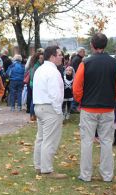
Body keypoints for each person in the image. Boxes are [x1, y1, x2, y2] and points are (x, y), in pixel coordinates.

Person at [73, 33, 116, 182]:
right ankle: (107, 175)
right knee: (106, 141)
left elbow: (77, 87)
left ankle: (86, 175)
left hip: (88, 108)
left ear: (92, 45)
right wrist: (113, 99)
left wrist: (81, 100)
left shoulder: (85, 63)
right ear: (105, 45)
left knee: (87, 141)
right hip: (107, 108)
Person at [33, 45, 67, 179]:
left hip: (39, 106)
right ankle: (46, 170)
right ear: (52, 56)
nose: (62, 57)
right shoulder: (53, 72)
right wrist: (59, 112)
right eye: (60, 55)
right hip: (49, 108)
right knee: (49, 140)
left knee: (41, 138)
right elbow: (55, 94)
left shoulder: (40, 69)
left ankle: (39, 166)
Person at [28, 51, 44, 121]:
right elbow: (33, 76)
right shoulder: (36, 66)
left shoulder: (33, 64)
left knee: (33, 99)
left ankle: (32, 115)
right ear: (37, 59)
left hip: (32, 84)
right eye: (40, 58)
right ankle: (32, 115)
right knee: (34, 100)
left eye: (42, 58)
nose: (42, 60)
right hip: (35, 84)